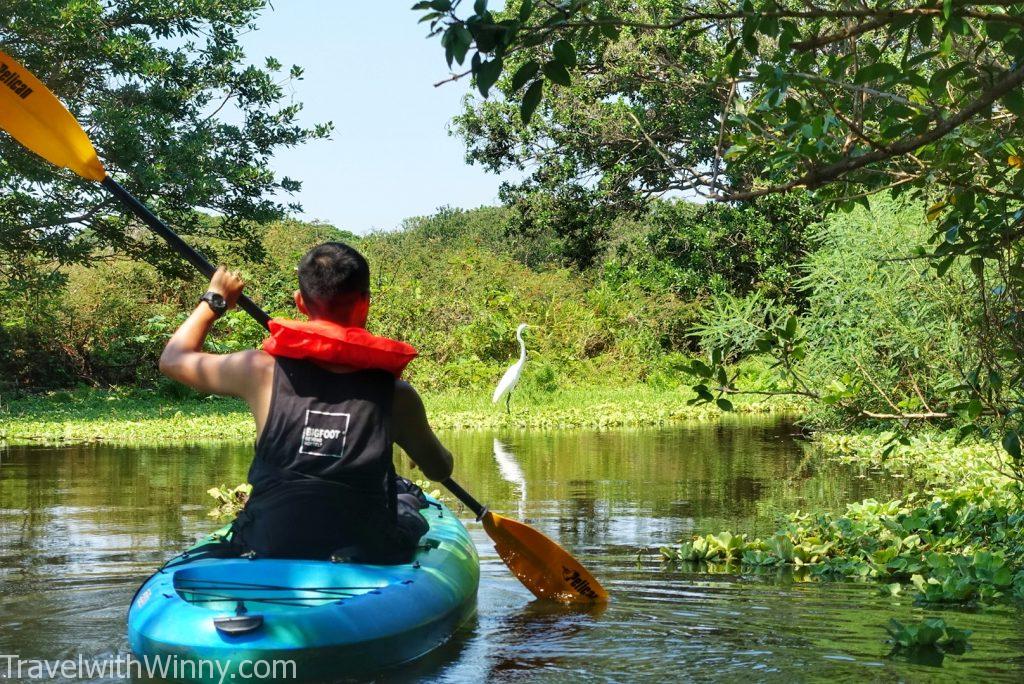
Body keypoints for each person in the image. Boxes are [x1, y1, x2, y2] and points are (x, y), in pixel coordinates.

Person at [158, 242, 454, 564]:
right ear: (365, 302)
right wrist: (415, 438)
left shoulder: (258, 371)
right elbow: (440, 468)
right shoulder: (399, 395)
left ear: (300, 303)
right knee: (407, 504)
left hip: (269, 541)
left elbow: (173, 359)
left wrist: (215, 299)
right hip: (364, 548)